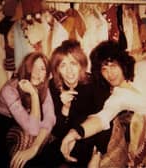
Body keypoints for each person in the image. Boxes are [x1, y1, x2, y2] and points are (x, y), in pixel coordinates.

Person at [61, 40, 146, 166]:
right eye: (104, 69)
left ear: (122, 63)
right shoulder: (117, 96)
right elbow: (101, 119)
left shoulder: (143, 68)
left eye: (113, 66)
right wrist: (75, 133)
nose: (109, 74)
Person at [45, 39, 111, 167]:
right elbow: (57, 132)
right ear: (57, 69)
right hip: (64, 140)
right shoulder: (53, 87)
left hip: (89, 139)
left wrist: (97, 154)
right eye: (63, 65)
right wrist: (65, 108)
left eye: (73, 63)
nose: (69, 71)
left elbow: (106, 120)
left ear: (81, 65)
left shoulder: (95, 84)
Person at [0, 52, 56, 168]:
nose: (37, 73)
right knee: (29, 137)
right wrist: (34, 94)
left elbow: (50, 118)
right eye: (33, 66)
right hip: (4, 124)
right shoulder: (9, 90)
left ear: (47, 74)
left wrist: (35, 148)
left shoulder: (43, 85)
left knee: (45, 137)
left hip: (28, 120)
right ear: (26, 68)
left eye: (42, 69)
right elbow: (33, 129)